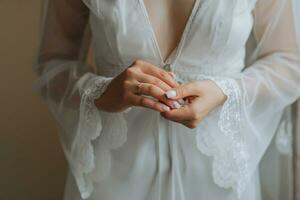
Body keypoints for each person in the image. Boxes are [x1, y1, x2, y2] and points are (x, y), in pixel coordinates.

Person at [32, 0, 300, 199]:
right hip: (114, 178)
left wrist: (224, 91)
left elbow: (289, 62)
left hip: (219, 179)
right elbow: (51, 64)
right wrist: (99, 92)